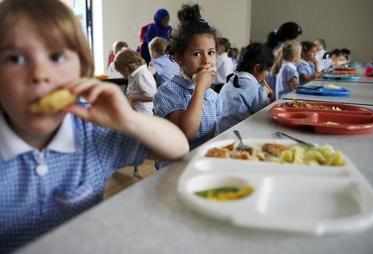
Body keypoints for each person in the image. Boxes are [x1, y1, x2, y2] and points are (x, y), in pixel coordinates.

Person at [0, 0, 189, 251]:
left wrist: (129, 119)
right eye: (15, 58)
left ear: (83, 70)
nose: (39, 74)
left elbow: (178, 147)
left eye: (56, 56)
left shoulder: (91, 132)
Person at [153, 4, 220, 149]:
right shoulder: (166, 93)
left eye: (211, 52)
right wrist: (200, 88)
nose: (206, 61)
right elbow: (187, 133)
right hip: (176, 168)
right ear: (179, 58)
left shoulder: (212, 95)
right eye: (197, 54)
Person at [218, 43, 274, 133]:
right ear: (257, 68)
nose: (267, 74)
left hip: (220, 132)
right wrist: (268, 94)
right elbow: (264, 113)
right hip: (239, 134)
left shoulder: (232, 80)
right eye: (267, 70)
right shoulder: (254, 87)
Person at [114, 49, 157, 114]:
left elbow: (154, 96)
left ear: (128, 66)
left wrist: (133, 98)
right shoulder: (133, 75)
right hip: (137, 112)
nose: (121, 74)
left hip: (144, 115)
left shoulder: (142, 74)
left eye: (121, 71)